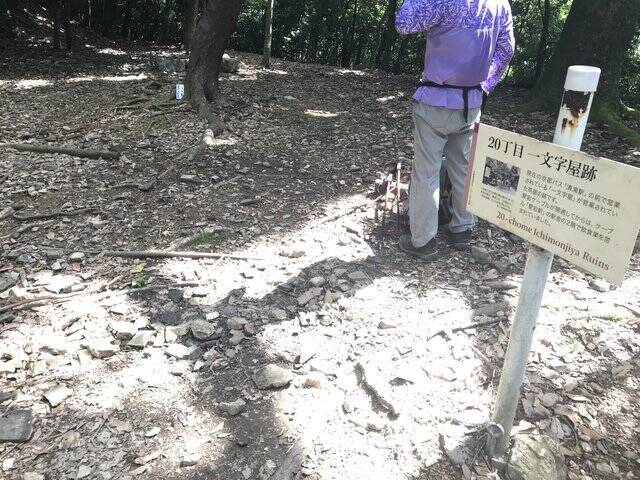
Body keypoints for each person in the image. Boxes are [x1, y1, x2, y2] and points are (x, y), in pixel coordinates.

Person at [396, 0, 515, 260]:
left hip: (435, 101)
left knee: (426, 171)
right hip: (471, 102)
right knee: (462, 165)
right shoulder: (499, 4)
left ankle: (423, 242)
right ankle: (462, 228)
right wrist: (487, 85)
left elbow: (404, 23)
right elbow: (506, 50)